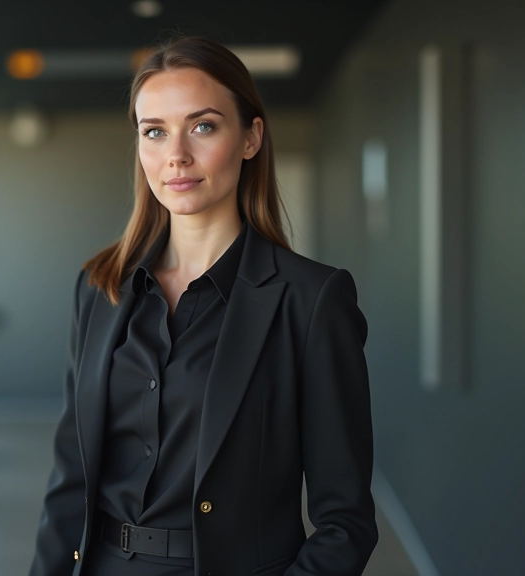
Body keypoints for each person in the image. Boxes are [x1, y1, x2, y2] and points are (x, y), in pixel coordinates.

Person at [28, 36, 377, 576]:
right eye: (154, 132)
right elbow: (71, 478)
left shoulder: (311, 300)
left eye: (203, 126)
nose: (176, 155)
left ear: (251, 138)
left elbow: (345, 522)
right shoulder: (100, 288)